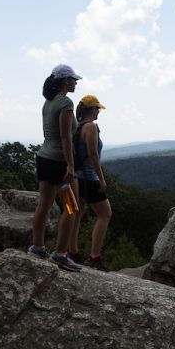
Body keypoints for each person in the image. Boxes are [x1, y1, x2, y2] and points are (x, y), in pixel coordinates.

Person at [28, 64, 83, 272]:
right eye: (73, 79)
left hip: (44, 157)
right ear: (65, 81)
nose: (76, 82)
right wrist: (70, 165)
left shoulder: (48, 102)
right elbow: (65, 137)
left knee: (44, 204)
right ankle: (60, 254)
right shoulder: (66, 103)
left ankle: (38, 247)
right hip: (60, 163)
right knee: (72, 207)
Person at [69, 94, 112, 271]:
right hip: (90, 178)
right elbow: (93, 154)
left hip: (76, 178)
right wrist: (101, 179)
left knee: (76, 214)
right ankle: (94, 256)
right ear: (91, 110)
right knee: (105, 215)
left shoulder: (77, 127)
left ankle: (72, 252)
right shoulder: (91, 127)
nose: (98, 112)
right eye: (97, 109)